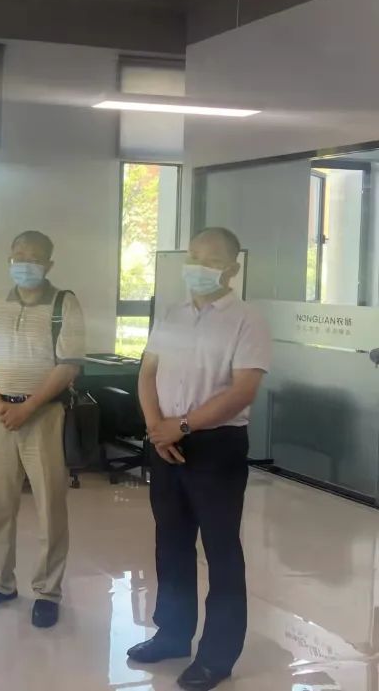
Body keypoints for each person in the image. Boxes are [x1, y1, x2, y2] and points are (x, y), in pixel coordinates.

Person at [128, 227, 271, 691]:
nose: (198, 267)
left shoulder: (247, 320)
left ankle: (217, 656)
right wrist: (157, 427)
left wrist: (183, 425)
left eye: (210, 260)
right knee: (171, 543)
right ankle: (172, 634)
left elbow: (243, 390)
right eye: (193, 256)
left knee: (221, 550)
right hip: (165, 442)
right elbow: (147, 373)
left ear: (232, 268)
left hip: (216, 446)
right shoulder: (172, 315)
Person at [0, 230, 86, 628]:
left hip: (44, 416)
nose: (24, 263)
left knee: (50, 507)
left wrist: (28, 407)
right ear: (9, 259)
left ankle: (47, 592)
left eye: (34, 257)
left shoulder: (64, 304)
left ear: (48, 264)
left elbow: (69, 366)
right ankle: (0, 583)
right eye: (18, 255)